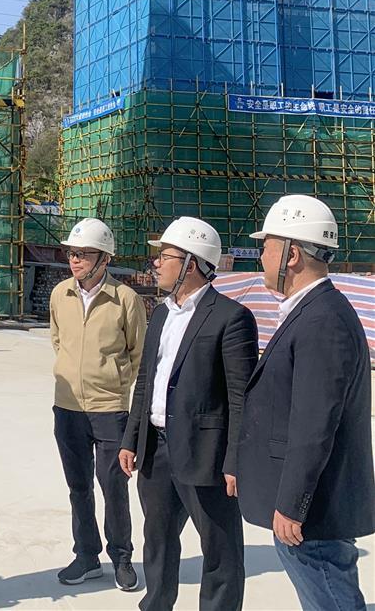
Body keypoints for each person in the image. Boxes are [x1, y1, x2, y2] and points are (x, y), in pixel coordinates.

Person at [238, 195, 375, 610]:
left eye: (266, 247)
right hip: (311, 506)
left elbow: (314, 425)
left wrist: (292, 505)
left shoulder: (322, 320)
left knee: (331, 599)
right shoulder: (313, 311)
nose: (261, 257)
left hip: (314, 512)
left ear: (292, 255)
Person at [118, 217, 258, 611]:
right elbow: (146, 381)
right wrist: (132, 439)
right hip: (157, 451)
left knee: (220, 549)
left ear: (191, 264)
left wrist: (235, 461)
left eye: (164, 256)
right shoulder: (162, 314)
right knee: (158, 541)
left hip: (206, 455)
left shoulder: (231, 317)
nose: (156, 263)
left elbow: (241, 399)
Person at [49, 218, 145, 591]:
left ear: (104, 258)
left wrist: (114, 384)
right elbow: (58, 340)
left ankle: (121, 558)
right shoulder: (60, 295)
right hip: (68, 407)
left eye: (84, 254)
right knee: (78, 486)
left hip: (110, 410)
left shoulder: (125, 299)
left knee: (114, 486)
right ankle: (86, 556)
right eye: (71, 253)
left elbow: (137, 353)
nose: (75, 260)